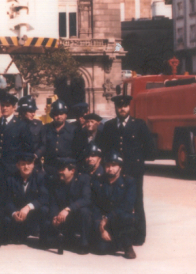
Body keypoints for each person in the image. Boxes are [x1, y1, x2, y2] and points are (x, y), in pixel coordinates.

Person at [96, 95, 154, 246]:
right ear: (115, 108)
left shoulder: (139, 125)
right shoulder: (108, 126)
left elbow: (150, 148)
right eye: (119, 106)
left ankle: (139, 236)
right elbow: (102, 147)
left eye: (125, 106)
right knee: (115, 202)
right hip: (115, 173)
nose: (122, 109)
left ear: (129, 107)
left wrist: (139, 163)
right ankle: (116, 233)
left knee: (137, 202)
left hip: (134, 171)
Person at [91, 151, 138, 259]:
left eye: (114, 165)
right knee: (100, 250)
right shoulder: (99, 182)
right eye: (107, 166)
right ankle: (115, 243)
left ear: (120, 167)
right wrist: (101, 228)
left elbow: (127, 206)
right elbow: (95, 205)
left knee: (127, 216)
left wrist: (107, 218)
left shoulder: (128, 182)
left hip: (119, 220)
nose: (110, 169)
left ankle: (127, 246)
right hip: (105, 224)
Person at [42, 158, 92, 255]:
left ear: (72, 171)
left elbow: (86, 199)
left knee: (84, 211)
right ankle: (67, 238)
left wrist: (68, 209)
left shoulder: (83, 179)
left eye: (62, 169)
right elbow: (54, 202)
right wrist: (54, 217)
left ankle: (84, 244)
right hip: (63, 217)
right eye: (59, 169)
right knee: (46, 242)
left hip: (76, 215)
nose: (59, 172)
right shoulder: (57, 182)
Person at [4, 152, 49, 245]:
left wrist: (28, 207)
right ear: (18, 165)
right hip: (18, 214)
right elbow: (7, 199)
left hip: (32, 214)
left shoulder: (40, 177)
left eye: (29, 164)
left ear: (33, 165)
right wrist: (13, 213)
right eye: (23, 164)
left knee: (44, 209)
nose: (26, 167)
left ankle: (43, 240)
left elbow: (44, 197)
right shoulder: (11, 179)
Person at [0, 94, 33, 176]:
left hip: (13, 168)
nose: (4, 108)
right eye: (2, 105)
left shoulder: (21, 125)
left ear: (14, 107)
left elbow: (28, 147)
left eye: (7, 105)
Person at [36, 100, 78, 176]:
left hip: (67, 169)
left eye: (61, 114)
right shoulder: (45, 129)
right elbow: (42, 146)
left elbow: (77, 151)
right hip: (49, 168)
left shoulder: (73, 130)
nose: (59, 117)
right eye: (56, 114)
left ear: (66, 115)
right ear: (52, 115)